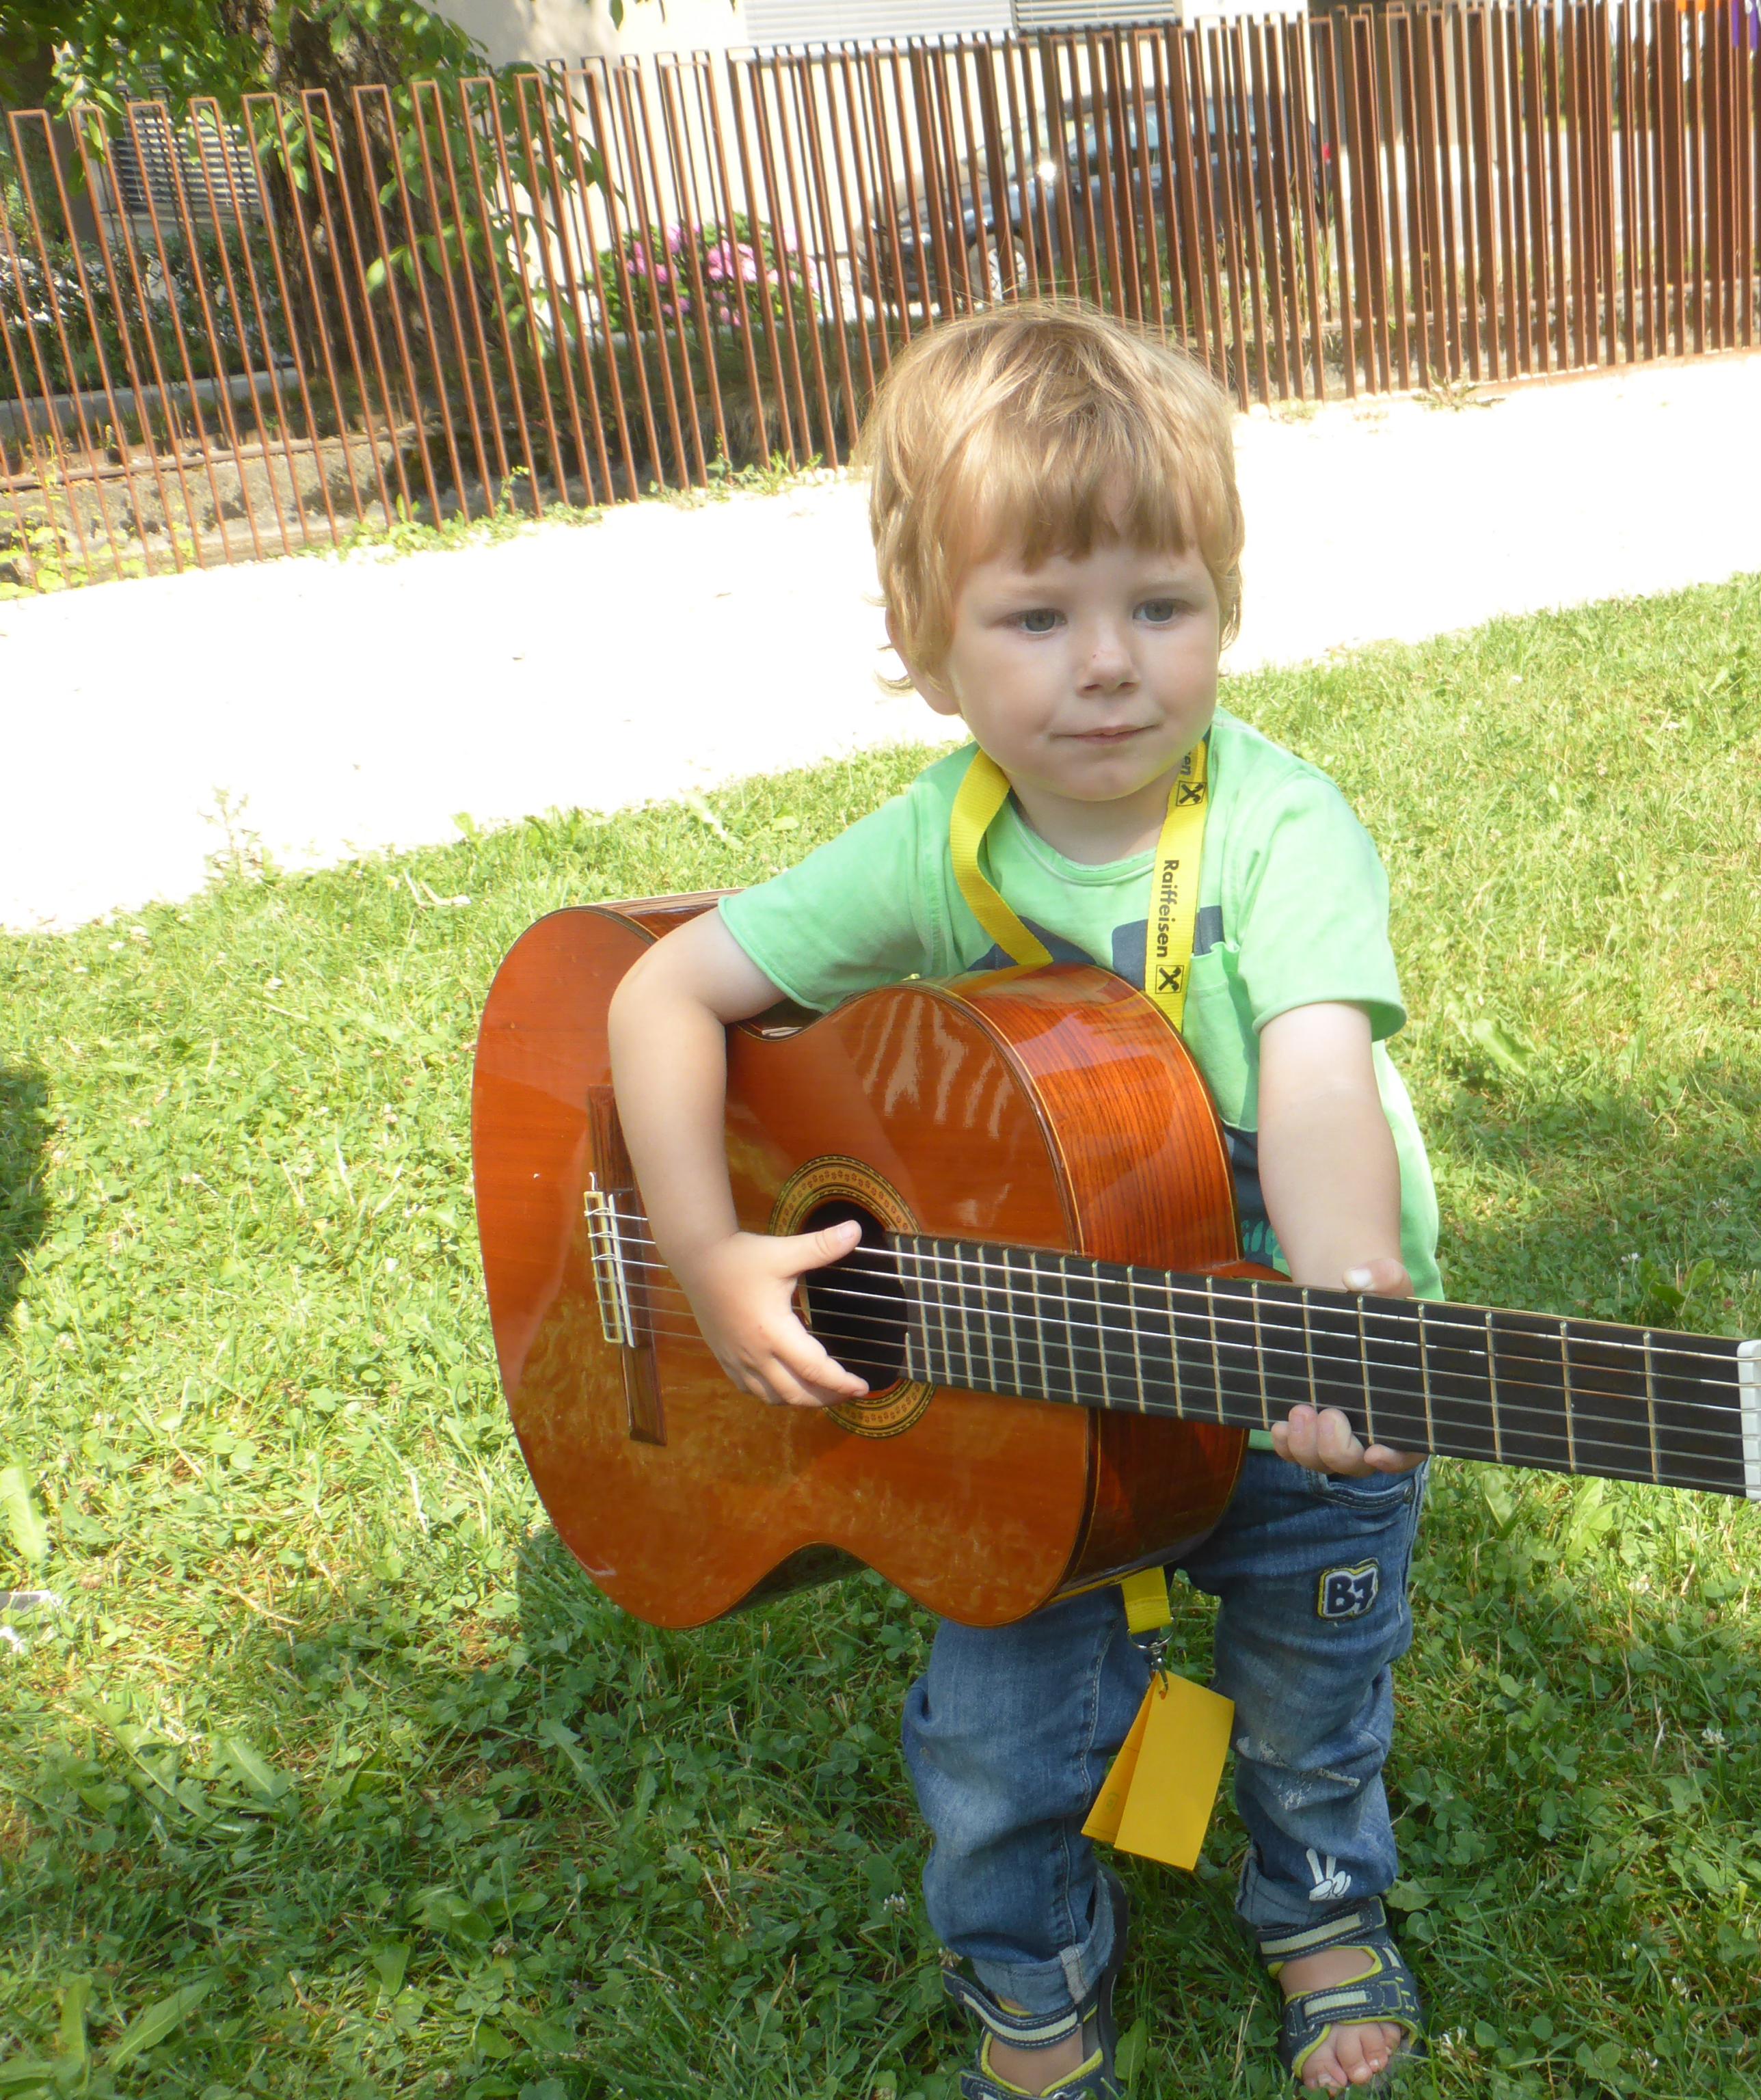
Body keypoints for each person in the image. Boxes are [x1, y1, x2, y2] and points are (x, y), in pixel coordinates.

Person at [604, 301, 1443, 2099]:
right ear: (931, 649)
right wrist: (707, 1246)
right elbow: (663, 992)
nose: (1110, 666)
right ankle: (1030, 1969)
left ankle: (1318, 1903)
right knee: (999, 1738)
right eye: (1038, 619)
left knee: (1313, 1686)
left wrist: (1349, 1303)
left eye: (1163, 605)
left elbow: (1312, 1079)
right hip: (1027, 1397)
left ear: (1227, 605)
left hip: (1294, 1378)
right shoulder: (940, 840)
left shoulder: (1284, 834)